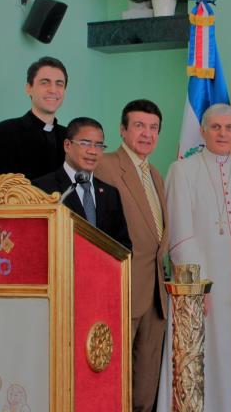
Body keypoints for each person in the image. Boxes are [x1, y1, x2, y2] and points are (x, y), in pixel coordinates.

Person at [157, 103, 231, 412]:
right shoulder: (182, 170)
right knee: (198, 355)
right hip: (198, 285)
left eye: (229, 128)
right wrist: (197, 286)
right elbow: (180, 233)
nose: (222, 133)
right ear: (202, 131)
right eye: (215, 127)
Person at [94, 99, 168, 412]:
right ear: (123, 130)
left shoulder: (156, 174)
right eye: (139, 126)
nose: (146, 134)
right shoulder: (105, 165)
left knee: (145, 387)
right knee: (112, 383)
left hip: (156, 295)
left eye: (153, 128)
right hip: (120, 291)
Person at [33, 117, 130, 248]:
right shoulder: (41, 188)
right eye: (85, 143)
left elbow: (123, 245)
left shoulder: (110, 193)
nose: (93, 151)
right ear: (67, 145)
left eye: (99, 145)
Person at [0, 56, 68, 181]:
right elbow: (2, 190)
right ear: (29, 88)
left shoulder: (70, 136)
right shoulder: (4, 133)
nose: (53, 90)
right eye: (45, 82)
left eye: (59, 84)